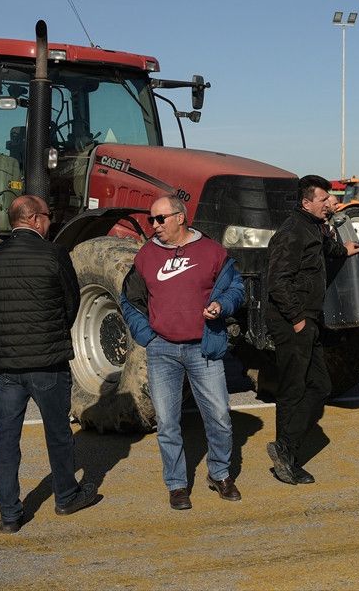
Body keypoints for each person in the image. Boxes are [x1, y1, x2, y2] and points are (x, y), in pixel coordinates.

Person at [0, 194, 99, 532]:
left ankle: (9, 514)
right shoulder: (54, 254)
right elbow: (71, 305)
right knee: (57, 432)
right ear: (33, 219)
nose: (50, 221)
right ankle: (66, 496)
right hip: (47, 360)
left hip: (4, 365)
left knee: (6, 438)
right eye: (48, 215)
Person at [122, 194, 246, 510]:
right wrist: (148, 336)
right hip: (162, 350)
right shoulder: (146, 255)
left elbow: (236, 288)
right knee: (167, 422)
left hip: (203, 347)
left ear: (180, 217)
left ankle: (219, 474)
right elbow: (128, 299)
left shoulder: (213, 252)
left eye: (160, 218)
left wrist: (222, 305)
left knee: (219, 417)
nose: (154, 225)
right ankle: (177, 484)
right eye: (151, 219)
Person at [264, 174, 359, 485]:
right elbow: (277, 281)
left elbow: (325, 248)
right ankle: (287, 456)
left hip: (308, 319)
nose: (328, 203)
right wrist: (297, 319)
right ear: (306, 203)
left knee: (319, 385)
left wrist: (344, 250)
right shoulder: (292, 231)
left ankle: (285, 448)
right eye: (323, 199)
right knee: (293, 389)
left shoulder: (313, 226)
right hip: (292, 321)